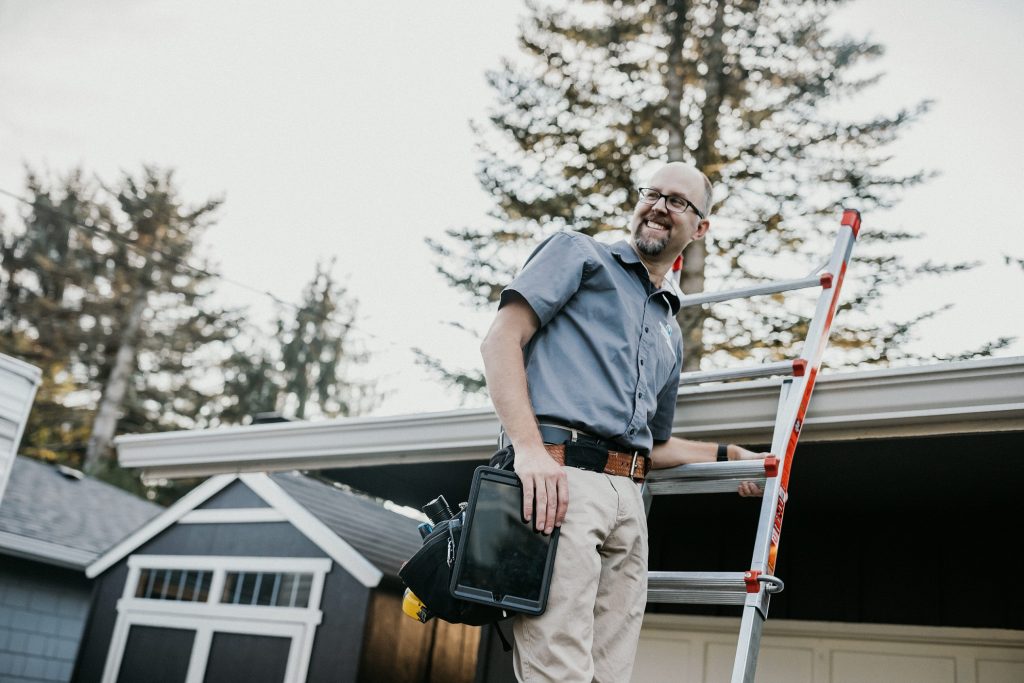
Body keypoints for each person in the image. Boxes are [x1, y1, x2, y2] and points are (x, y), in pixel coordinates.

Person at [480, 161, 767, 682]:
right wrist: (527, 450)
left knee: (611, 672)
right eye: (652, 193)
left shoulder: (669, 329)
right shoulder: (578, 253)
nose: (659, 205)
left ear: (700, 227)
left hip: (629, 499)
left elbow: (653, 446)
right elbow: (501, 340)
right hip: (559, 480)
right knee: (557, 666)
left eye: (677, 201)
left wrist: (728, 457)